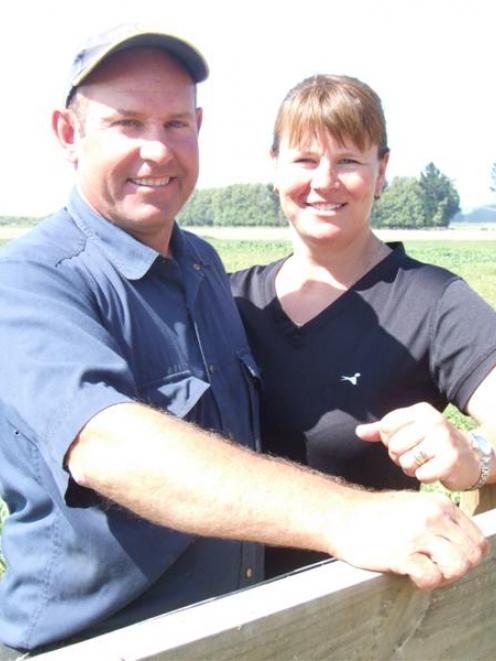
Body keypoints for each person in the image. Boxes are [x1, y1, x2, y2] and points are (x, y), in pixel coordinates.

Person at [0, 31, 488, 658]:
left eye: (176, 123)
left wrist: (474, 453)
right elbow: (107, 447)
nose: (156, 149)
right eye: (126, 122)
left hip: (253, 634)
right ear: (69, 133)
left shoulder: (201, 269)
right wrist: (352, 517)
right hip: (101, 645)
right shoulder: (33, 282)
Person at [231, 74, 496, 577]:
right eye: (305, 159)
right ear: (275, 168)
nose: (324, 181)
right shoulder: (225, 299)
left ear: (382, 171)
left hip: (356, 620)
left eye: (348, 160)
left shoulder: (432, 303)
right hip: (209, 620)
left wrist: (474, 453)